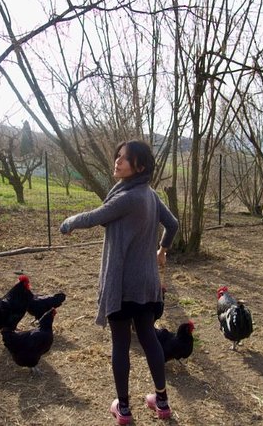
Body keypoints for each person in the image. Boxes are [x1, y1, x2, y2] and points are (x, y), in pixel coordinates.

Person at [60, 140, 179, 424]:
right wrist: (163, 250)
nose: (117, 161)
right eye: (118, 157)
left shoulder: (128, 198)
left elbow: (95, 217)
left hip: (124, 286)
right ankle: (161, 402)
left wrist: (69, 222)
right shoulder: (149, 195)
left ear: (139, 166)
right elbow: (173, 224)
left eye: (124, 159)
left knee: (121, 343)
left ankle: (123, 408)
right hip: (148, 283)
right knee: (149, 338)